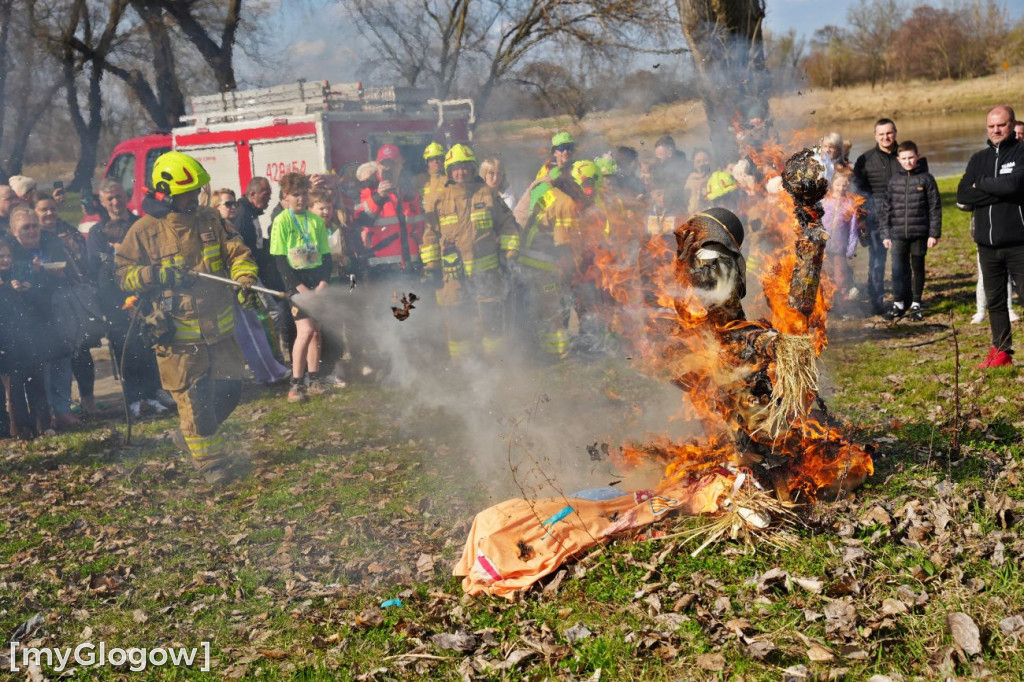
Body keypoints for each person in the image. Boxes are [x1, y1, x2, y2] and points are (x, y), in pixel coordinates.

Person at [117, 151, 259, 485]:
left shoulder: (210, 220)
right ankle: (211, 464)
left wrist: (244, 278)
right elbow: (122, 275)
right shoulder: (144, 231)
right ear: (166, 193)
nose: (196, 197)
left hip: (219, 330)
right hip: (177, 338)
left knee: (230, 391)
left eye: (197, 190)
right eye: (189, 192)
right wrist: (156, 275)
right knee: (195, 401)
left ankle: (189, 437)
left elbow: (237, 252)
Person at [421, 143, 520, 359]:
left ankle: (495, 363)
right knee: (457, 321)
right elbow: (430, 235)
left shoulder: (487, 194)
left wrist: (509, 254)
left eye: (465, 166)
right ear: (448, 170)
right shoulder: (439, 198)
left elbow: (508, 224)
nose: (461, 172)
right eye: (456, 167)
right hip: (453, 274)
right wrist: (432, 268)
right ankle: (463, 366)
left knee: (491, 320)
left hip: (486, 272)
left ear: (473, 168)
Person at [87, 180, 171, 418]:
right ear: (102, 202)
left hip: (144, 300)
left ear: (126, 196)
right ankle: (133, 397)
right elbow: (96, 270)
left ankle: (154, 393)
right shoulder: (97, 232)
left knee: (149, 350)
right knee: (126, 354)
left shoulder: (139, 223)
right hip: (116, 307)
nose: (115, 202)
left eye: (118, 196)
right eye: (109, 199)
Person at [956, 105, 1024, 369]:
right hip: (986, 243)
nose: (996, 130)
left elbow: (1014, 185)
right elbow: (963, 195)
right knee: (995, 300)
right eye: (991, 126)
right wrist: (998, 189)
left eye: (1002, 125)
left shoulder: (1021, 153)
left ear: (1012, 124)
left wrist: (981, 184)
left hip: (1019, 241)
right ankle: (1001, 351)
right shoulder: (978, 159)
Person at [7, 205, 83, 429]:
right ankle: (47, 412)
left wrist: (58, 274)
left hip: (58, 312)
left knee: (63, 362)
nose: (32, 231)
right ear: (13, 231)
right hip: (30, 320)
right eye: (25, 227)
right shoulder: (11, 252)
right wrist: (37, 275)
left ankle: (63, 410)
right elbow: (21, 289)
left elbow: (70, 273)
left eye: (34, 226)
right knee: (44, 368)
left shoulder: (51, 244)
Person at [213, 188, 290, 387]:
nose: (233, 207)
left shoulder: (227, 225)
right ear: (214, 207)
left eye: (234, 203)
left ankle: (271, 369)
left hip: (240, 280)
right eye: (227, 204)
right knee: (249, 329)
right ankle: (268, 373)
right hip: (229, 285)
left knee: (253, 325)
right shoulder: (217, 228)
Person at [270, 172, 332, 402]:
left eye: (304, 194)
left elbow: (326, 256)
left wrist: (324, 282)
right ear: (286, 196)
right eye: (296, 194)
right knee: (304, 331)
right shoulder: (282, 221)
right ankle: (296, 384)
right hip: (296, 285)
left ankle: (314, 380)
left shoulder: (315, 221)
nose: (301, 199)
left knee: (316, 332)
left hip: (317, 282)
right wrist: (298, 288)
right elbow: (279, 260)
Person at [36, 195, 97, 415]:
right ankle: (61, 406)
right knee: (58, 357)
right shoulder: (33, 238)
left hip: (71, 298)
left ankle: (88, 401)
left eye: (52, 209)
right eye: (44, 210)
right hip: (47, 303)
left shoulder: (67, 231)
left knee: (81, 350)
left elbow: (82, 259)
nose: (50, 214)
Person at [879, 141, 941, 321]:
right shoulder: (893, 181)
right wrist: (885, 234)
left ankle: (916, 303)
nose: (908, 162)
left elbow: (935, 208)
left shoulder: (927, 179)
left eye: (911, 158)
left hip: (920, 234)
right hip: (897, 235)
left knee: (918, 268)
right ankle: (898, 302)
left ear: (917, 157)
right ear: (898, 159)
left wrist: (933, 233)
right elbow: (886, 209)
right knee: (898, 269)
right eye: (904, 158)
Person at [0, 239, 51, 439]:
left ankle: (42, 425)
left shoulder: (22, 272)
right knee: (14, 388)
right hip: (5, 341)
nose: (5, 260)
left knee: (36, 381)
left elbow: (41, 306)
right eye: (1, 257)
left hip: (28, 337)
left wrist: (28, 289)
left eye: (7, 256)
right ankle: (20, 430)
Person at [354, 144, 425, 283]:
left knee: (410, 304)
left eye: (392, 164)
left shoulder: (409, 191)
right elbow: (360, 220)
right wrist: (379, 197)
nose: (388, 168)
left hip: (410, 264)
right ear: (377, 166)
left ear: (401, 165)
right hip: (380, 266)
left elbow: (420, 227)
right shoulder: (367, 189)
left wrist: (422, 259)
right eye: (384, 164)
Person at [853, 118, 901, 316]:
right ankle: (876, 302)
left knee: (900, 262)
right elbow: (858, 193)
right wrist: (862, 219)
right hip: (875, 219)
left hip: (901, 217)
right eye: (881, 134)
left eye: (889, 133)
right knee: (877, 262)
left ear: (895, 133)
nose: (885, 137)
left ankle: (902, 301)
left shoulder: (905, 155)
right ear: (875, 136)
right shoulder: (865, 160)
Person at [821, 169, 860, 304]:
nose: (840, 188)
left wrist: (851, 248)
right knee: (825, 276)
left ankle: (843, 305)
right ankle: (827, 305)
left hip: (840, 247)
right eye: (838, 185)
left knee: (840, 278)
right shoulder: (824, 202)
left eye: (844, 185)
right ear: (832, 184)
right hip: (823, 246)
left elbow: (853, 229)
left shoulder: (849, 204)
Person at [417, 142, 447, 213]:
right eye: (431, 159)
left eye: (438, 158)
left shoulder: (450, 179)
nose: (435, 161)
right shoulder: (418, 180)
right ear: (426, 162)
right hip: (427, 221)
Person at [684, 149, 712, 215]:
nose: (702, 164)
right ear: (694, 164)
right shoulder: (690, 180)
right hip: (693, 215)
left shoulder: (714, 178)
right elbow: (685, 200)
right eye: (698, 161)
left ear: (711, 161)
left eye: (705, 161)